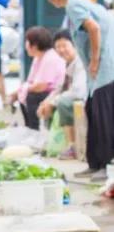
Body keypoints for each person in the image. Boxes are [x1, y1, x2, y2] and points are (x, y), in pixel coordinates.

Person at [44, 0, 114, 182]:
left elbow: (93, 28)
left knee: (103, 118)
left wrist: (94, 62)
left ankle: (105, 167)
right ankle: (95, 163)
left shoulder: (74, 5)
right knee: (92, 111)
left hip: (104, 68)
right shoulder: (77, 1)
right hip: (100, 70)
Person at [37, 30, 88, 159]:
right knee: (47, 103)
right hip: (75, 98)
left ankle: (72, 146)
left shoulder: (80, 62)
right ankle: (53, 142)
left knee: (62, 103)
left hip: (84, 99)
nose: (61, 50)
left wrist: (53, 102)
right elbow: (59, 88)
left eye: (64, 46)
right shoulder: (67, 63)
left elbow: (78, 91)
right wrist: (47, 101)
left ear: (74, 45)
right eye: (58, 47)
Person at [7, 27, 65, 131]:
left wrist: (21, 90)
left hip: (55, 92)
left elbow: (41, 86)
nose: (26, 46)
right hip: (45, 91)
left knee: (31, 96)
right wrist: (17, 92)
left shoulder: (50, 58)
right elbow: (30, 81)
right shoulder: (38, 57)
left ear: (34, 45)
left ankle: (34, 128)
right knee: (23, 94)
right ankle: (29, 127)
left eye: (27, 42)